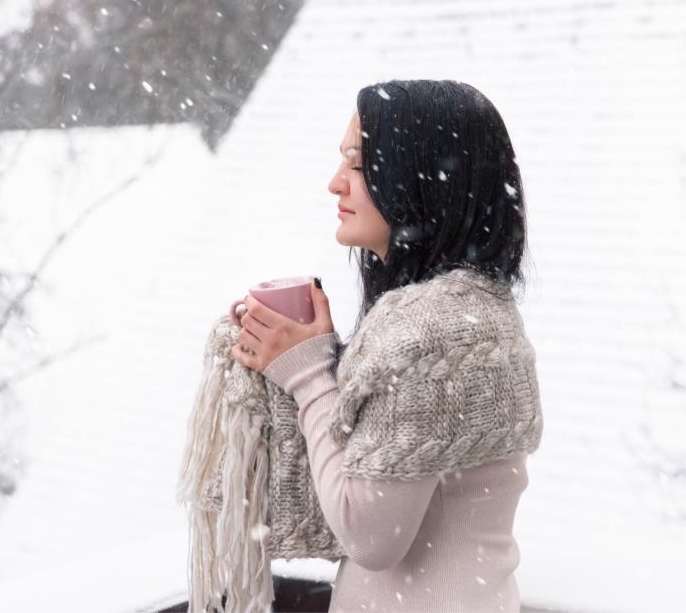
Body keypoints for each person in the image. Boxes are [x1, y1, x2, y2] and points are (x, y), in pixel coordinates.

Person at [229, 80, 540, 612]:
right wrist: (317, 351)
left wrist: (305, 374)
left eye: (357, 163)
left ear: (420, 182)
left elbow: (370, 536)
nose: (335, 183)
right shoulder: (467, 312)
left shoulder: (431, 335)